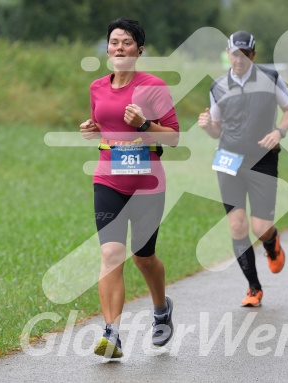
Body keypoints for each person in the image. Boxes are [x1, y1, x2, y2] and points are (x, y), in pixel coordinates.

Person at [79, 17, 179, 358]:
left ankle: (161, 308)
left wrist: (146, 124)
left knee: (144, 257)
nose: (119, 48)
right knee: (111, 254)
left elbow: (175, 137)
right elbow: (104, 125)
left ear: (139, 50)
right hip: (107, 177)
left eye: (126, 42)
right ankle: (112, 334)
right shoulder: (96, 87)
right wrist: (92, 130)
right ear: (107, 47)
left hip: (147, 182)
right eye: (114, 42)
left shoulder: (154, 86)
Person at [197, 31, 288, 307]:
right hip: (229, 160)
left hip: (262, 159)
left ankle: (271, 243)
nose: (239, 59)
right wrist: (207, 127)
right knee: (237, 225)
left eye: (245, 54)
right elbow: (216, 131)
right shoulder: (218, 86)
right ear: (227, 53)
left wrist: (279, 132)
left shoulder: (270, 78)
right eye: (234, 54)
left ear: (253, 55)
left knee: (260, 226)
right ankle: (254, 288)